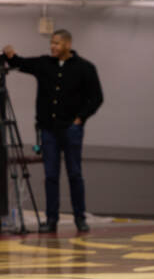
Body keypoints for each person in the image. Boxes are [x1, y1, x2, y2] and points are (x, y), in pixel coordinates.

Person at [3, 31, 103, 233]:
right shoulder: (45, 64)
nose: (53, 47)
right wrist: (10, 55)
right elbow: (23, 63)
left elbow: (97, 97)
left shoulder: (85, 68)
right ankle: (51, 219)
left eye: (57, 43)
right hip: (49, 130)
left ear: (67, 44)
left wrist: (80, 118)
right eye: (52, 43)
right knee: (51, 176)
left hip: (71, 129)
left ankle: (79, 217)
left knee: (74, 174)